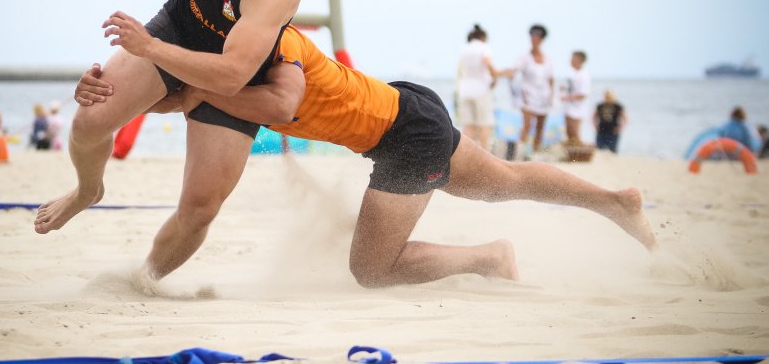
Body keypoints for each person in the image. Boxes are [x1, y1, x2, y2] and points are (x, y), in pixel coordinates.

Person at [74, 26, 657, 288]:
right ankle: (615, 201)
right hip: (405, 106)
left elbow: (282, 101)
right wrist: (105, 94)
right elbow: (169, 96)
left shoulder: (280, 45)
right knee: (502, 180)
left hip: (404, 136)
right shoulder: (223, 52)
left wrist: (203, 92)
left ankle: (489, 258)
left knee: (372, 271)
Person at [34, 0, 303, 245]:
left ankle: (146, 282)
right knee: (88, 122)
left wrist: (149, 49)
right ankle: (87, 191)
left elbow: (231, 77)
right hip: (182, 27)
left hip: (235, 71)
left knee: (198, 211)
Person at [456, 24, 506, 151]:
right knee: (484, 124)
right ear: (483, 37)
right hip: (481, 90)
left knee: (468, 126)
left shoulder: (465, 49)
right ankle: (485, 154)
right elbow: (488, 63)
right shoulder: (484, 48)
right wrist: (495, 76)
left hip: (465, 90)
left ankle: (465, 154)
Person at [513, 24, 554, 157]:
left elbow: (550, 79)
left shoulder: (548, 59)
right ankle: (520, 152)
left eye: (537, 37)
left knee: (540, 127)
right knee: (527, 125)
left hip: (543, 95)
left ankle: (536, 152)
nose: (534, 39)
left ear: (541, 40)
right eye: (532, 37)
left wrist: (551, 96)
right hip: (528, 95)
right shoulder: (524, 56)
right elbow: (514, 71)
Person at [561, 51, 591, 144]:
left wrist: (568, 98)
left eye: (573, 58)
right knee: (569, 132)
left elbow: (583, 94)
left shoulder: (584, 75)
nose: (570, 60)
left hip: (578, 109)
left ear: (579, 60)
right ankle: (571, 155)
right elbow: (572, 88)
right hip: (568, 107)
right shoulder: (572, 74)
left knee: (575, 132)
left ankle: (578, 155)